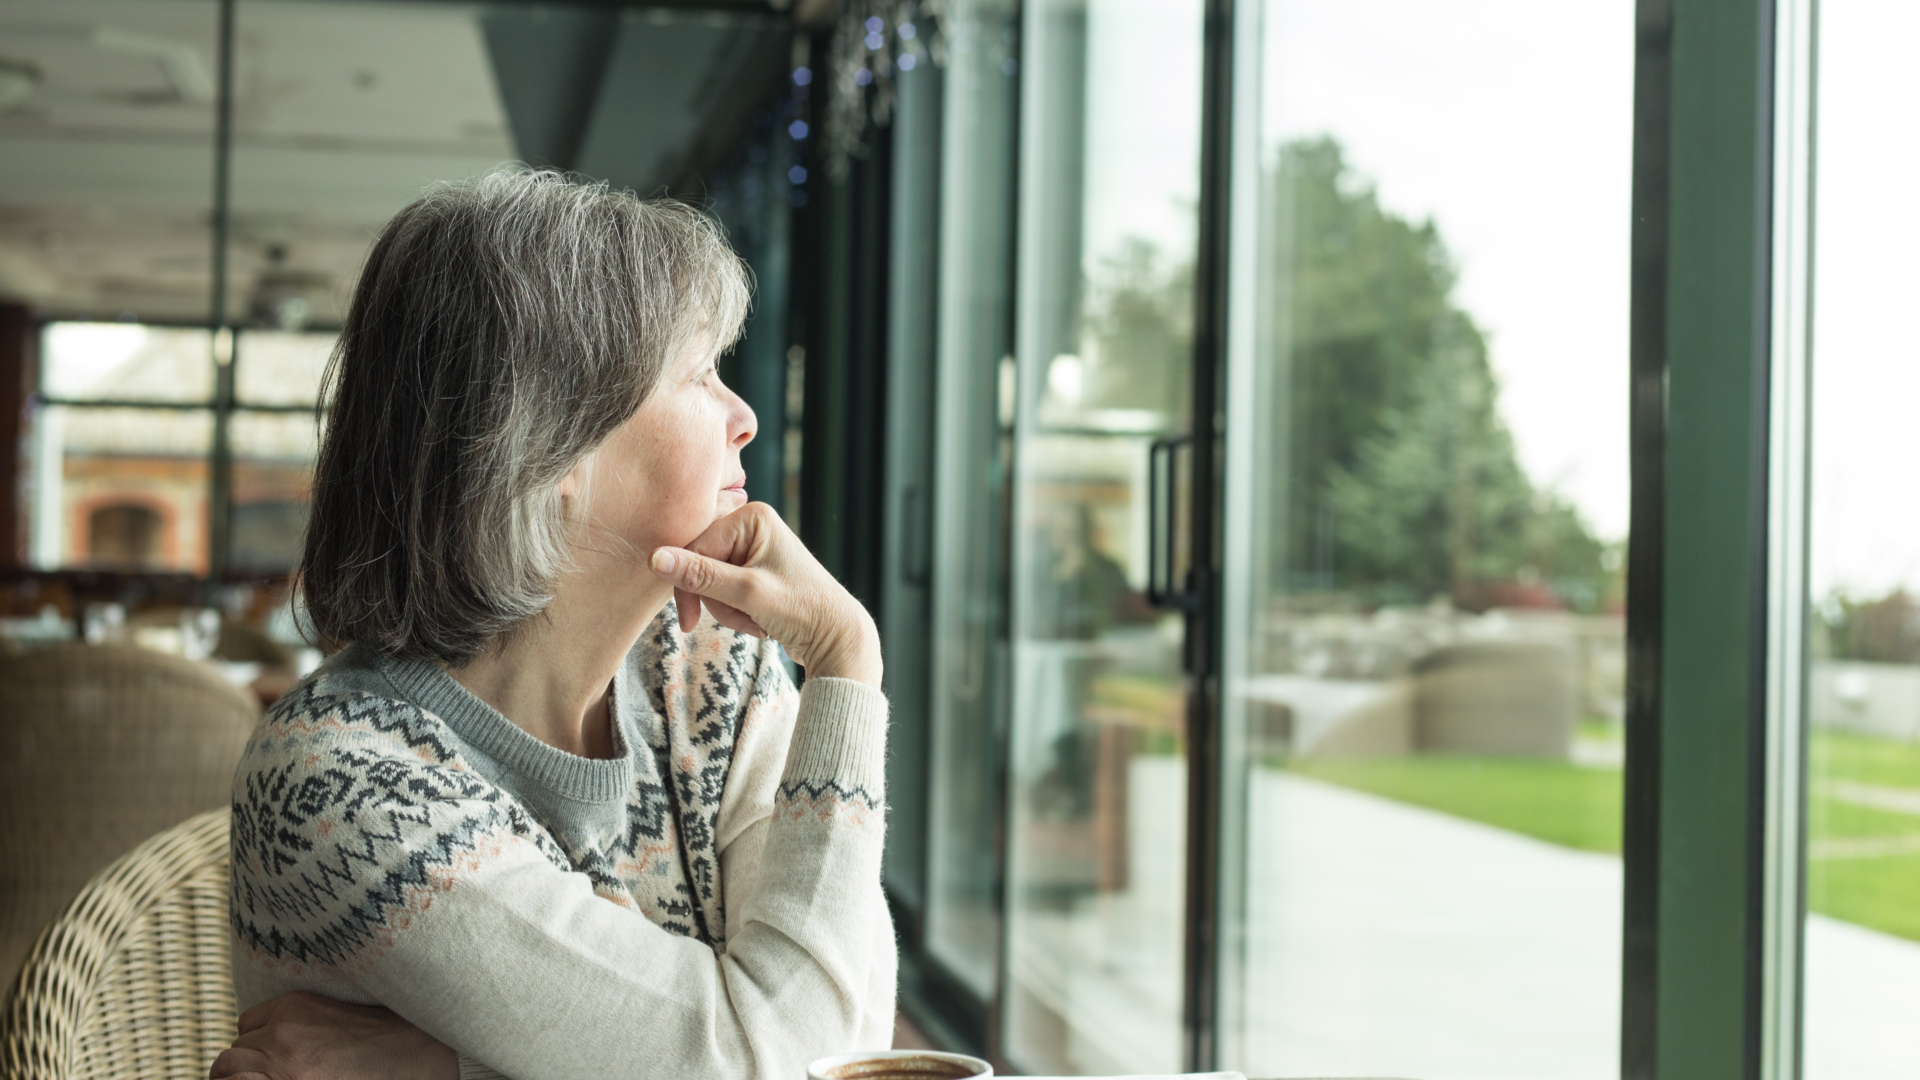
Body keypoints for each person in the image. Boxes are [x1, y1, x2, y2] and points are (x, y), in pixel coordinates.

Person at [212, 169, 894, 1080]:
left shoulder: (706, 669)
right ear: (548, 445)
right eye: (697, 374)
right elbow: (784, 1057)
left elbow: (839, 1032)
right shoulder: (343, 787)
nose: (746, 416)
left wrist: (446, 1068)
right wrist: (847, 663)